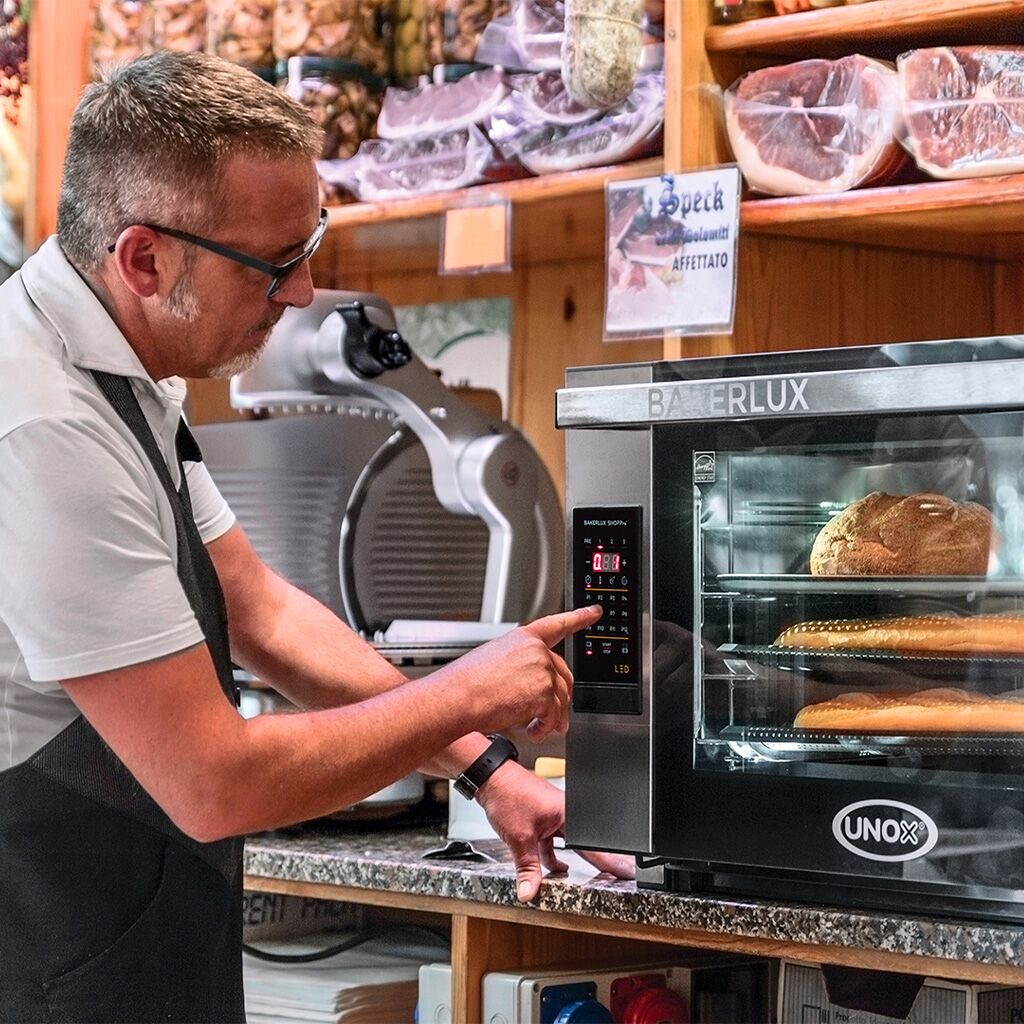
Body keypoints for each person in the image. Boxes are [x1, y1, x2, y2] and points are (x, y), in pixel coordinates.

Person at [0, 50, 631, 1023]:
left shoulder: (124, 365)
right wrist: (465, 688)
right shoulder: (40, 424)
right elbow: (213, 782)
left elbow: (260, 611)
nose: (300, 294)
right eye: (273, 266)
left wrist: (487, 767)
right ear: (143, 258)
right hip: (42, 951)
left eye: (310, 248)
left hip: (128, 937)